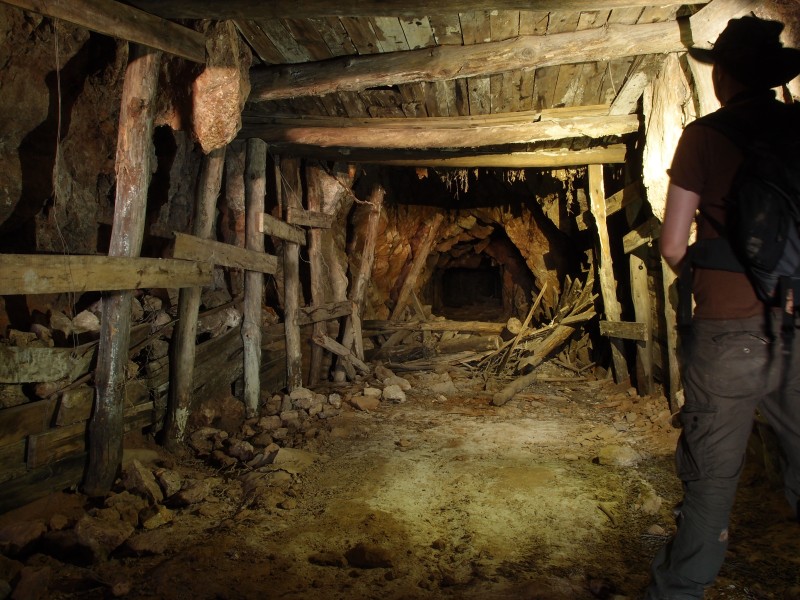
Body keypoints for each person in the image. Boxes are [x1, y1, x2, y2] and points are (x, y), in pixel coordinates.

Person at [646, 14, 800, 599]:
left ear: (724, 75)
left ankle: (681, 590)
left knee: (711, 483)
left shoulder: (705, 137)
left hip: (725, 333)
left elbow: (671, 244)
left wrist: (710, 280)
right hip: (796, 325)